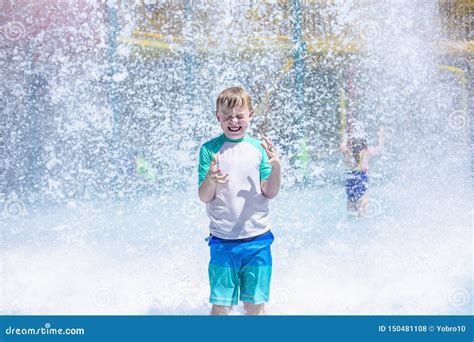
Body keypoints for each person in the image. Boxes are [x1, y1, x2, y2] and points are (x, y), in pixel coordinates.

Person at [198, 86, 281, 315]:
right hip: (223, 242)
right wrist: (211, 179)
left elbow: (270, 191)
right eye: (227, 116)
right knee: (221, 305)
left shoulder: (258, 149)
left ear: (250, 116)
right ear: (218, 117)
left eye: (239, 116)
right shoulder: (210, 150)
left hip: (258, 241)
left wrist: (276, 168)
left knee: (255, 306)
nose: (233, 121)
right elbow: (204, 196)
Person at [340, 127, 384, 216]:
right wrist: (381, 135)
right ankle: (361, 216)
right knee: (363, 203)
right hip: (361, 178)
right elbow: (380, 147)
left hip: (350, 179)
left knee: (351, 204)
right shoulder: (365, 153)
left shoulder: (348, 153)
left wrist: (345, 136)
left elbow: (342, 147)